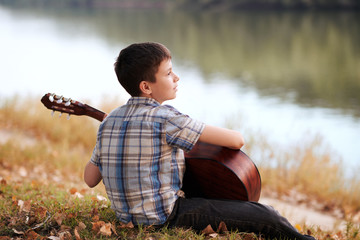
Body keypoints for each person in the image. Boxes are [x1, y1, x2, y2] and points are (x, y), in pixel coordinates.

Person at [84, 42, 316, 240]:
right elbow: (237, 140)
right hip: (165, 217)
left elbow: (90, 179)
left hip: (125, 218)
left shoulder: (109, 120)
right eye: (168, 73)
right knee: (266, 215)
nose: (176, 77)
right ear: (146, 87)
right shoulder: (166, 118)